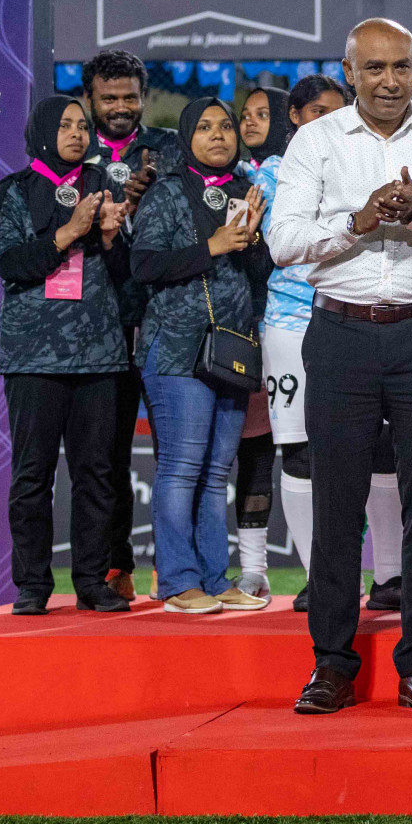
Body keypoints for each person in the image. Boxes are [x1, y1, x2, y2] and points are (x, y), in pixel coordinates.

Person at [270, 18, 412, 716]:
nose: (389, 81)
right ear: (349, 72)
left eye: (401, 67)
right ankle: (331, 665)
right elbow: (282, 242)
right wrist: (359, 222)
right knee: (339, 508)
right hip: (340, 335)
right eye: (375, 69)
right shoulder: (315, 140)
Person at [247, 76, 406, 614]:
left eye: (338, 112)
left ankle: (389, 577)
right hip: (292, 323)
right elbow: (269, 246)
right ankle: (322, 578)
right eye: (316, 111)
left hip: (360, 323)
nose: (329, 121)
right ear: (292, 116)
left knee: (381, 448)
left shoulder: (368, 166)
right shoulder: (270, 174)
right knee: (299, 451)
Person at [0, 96, 132, 615]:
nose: (76, 132)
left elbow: (129, 276)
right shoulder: (16, 191)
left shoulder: (104, 186)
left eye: (82, 125)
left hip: (98, 352)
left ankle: (93, 581)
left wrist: (114, 239)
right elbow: (9, 260)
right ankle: (33, 585)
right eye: (65, 125)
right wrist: (70, 232)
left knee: (96, 474)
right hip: (33, 355)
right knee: (33, 475)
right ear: (44, 131)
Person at [131, 98, 270, 616]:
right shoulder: (167, 192)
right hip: (177, 351)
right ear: (187, 136)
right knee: (182, 468)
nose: (219, 135)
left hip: (231, 351)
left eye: (226, 126)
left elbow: (258, 275)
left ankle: (214, 578)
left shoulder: (243, 192)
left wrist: (253, 241)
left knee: (216, 473)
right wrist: (210, 246)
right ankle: (177, 580)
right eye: (206, 127)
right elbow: (143, 265)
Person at [82, 49, 178, 602]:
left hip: (167, 317)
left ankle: (176, 566)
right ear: (90, 98)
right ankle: (117, 566)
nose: (120, 107)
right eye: (108, 97)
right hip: (99, 325)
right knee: (107, 452)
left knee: (176, 454)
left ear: (142, 95)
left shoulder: (166, 147)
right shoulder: (75, 150)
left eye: (128, 97)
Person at [230, 85, 291, 601]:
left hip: (295, 328)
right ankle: (252, 570)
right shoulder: (233, 181)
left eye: (262, 114)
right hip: (242, 329)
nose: (250, 122)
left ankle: (326, 570)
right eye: (244, 115)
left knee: (301, 451)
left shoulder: (298, 176)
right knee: (251, 448)